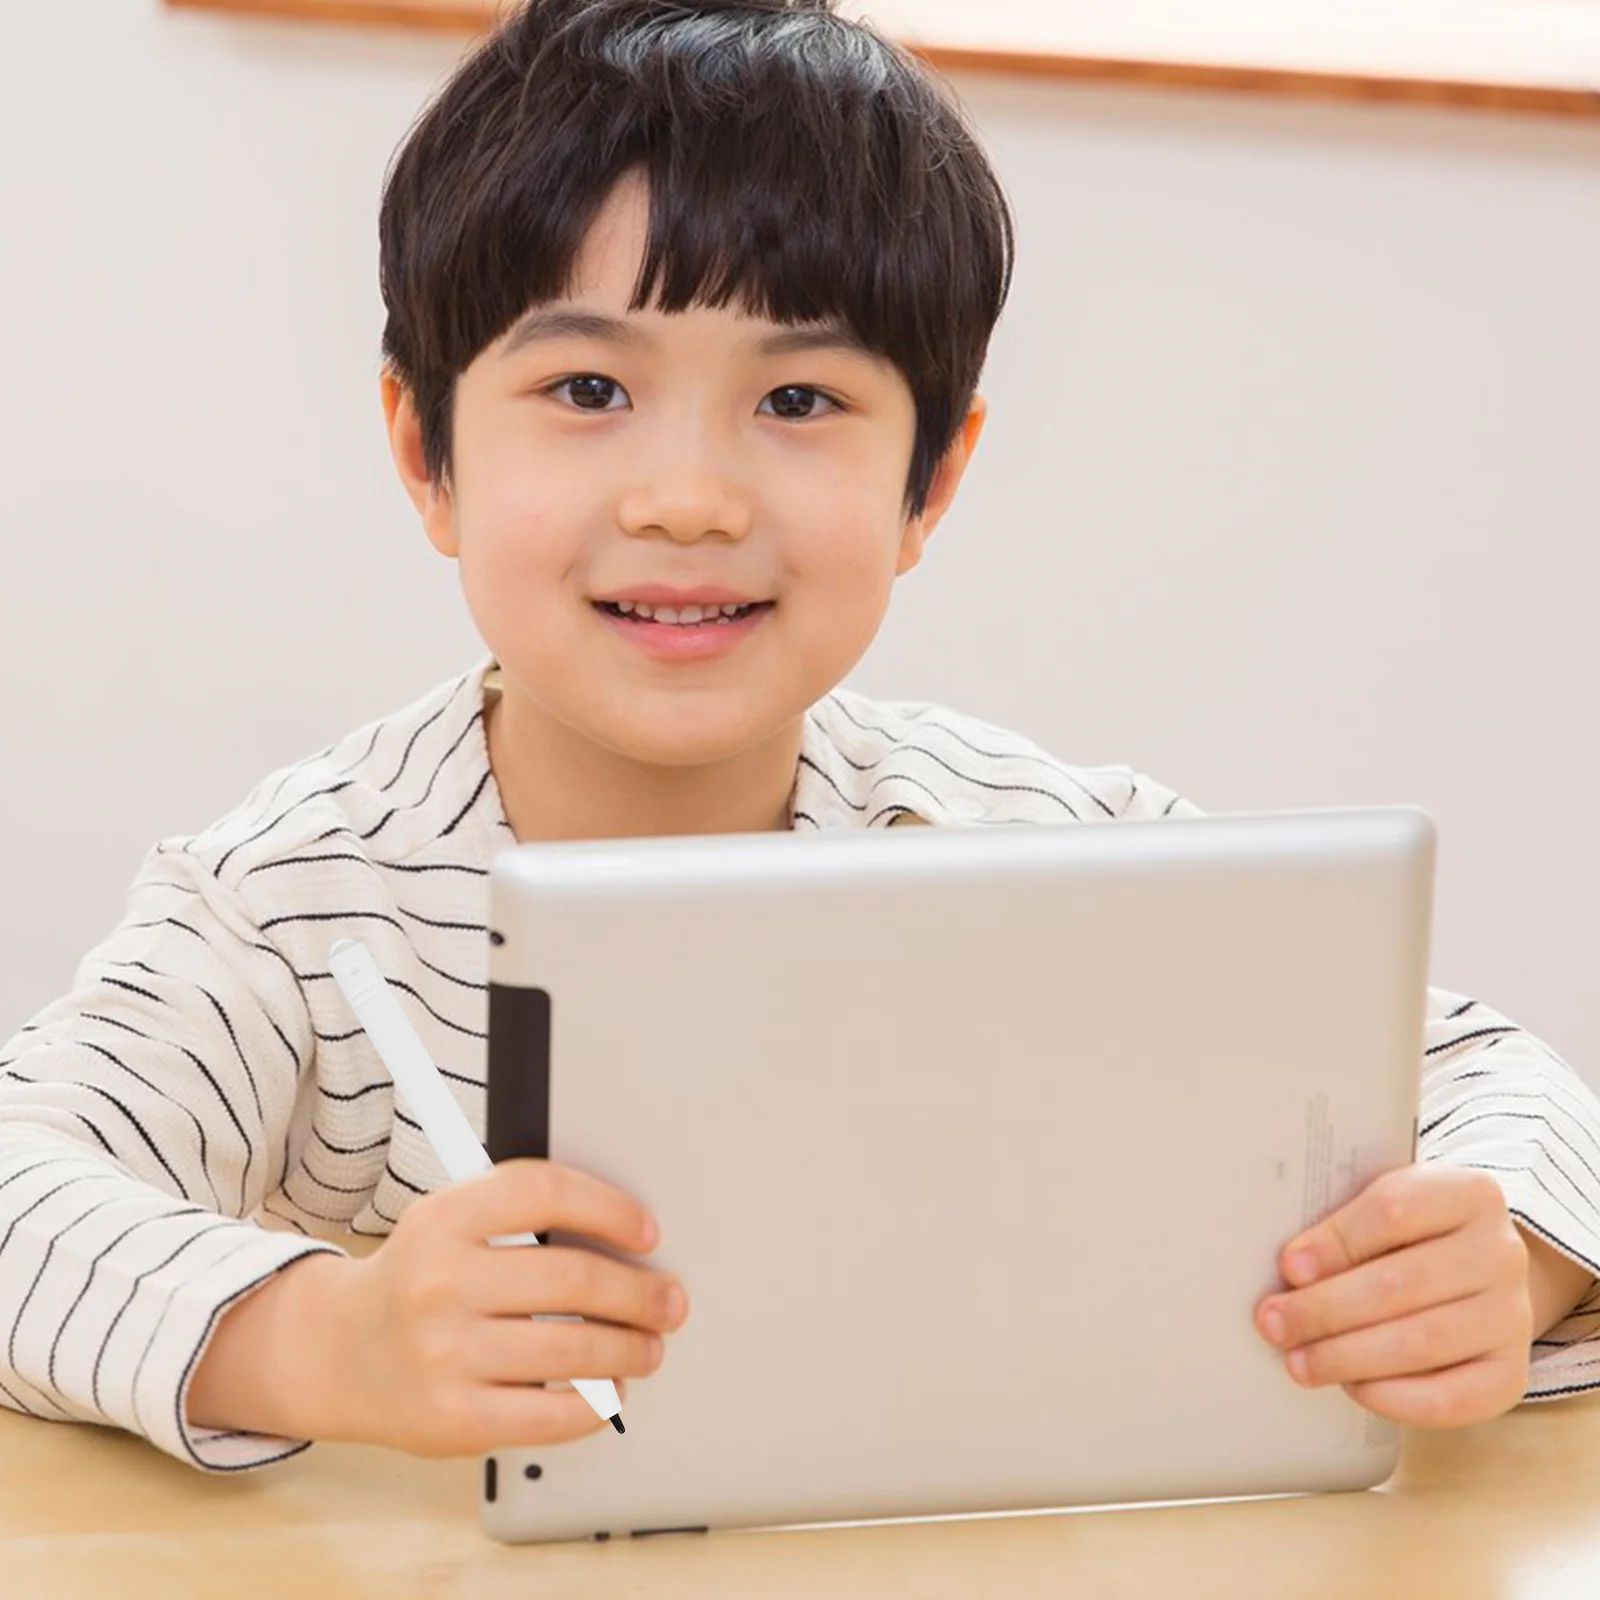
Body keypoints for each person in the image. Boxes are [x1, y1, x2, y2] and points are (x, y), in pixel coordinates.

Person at [1, 0, 1596, 1475]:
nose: (687, 497)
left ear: (934, 484)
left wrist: (1500, 1259)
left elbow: (1493, 1080)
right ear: (425, 451)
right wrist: (329, 1342)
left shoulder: (1045, 854)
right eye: (582, 387)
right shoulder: (294, 905)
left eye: (799, 404)